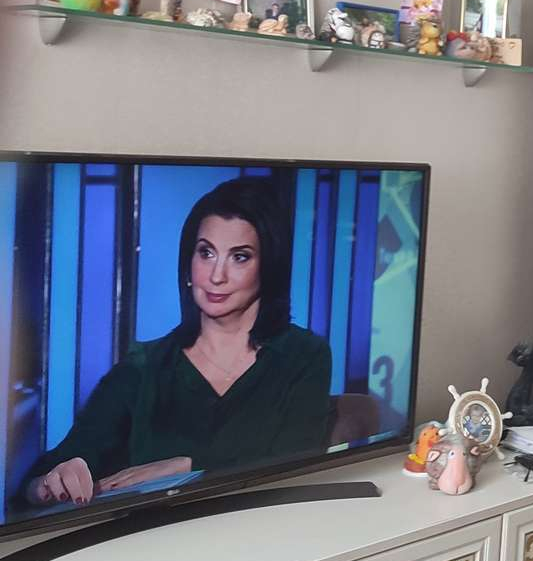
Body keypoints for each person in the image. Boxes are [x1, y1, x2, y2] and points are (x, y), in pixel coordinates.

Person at [23, 178, 334, 507]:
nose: (216, 276)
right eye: (206, 253)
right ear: (188, 263)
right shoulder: (143, 368)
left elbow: (294, 464)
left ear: (268, 267)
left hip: (267, 525)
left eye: (239, 257)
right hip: (155, 532)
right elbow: (40, 479)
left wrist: (186, 466)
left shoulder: (304, 355)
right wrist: (51, 481)